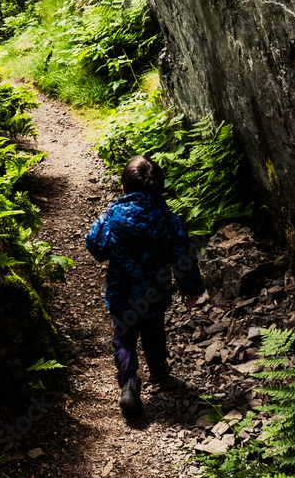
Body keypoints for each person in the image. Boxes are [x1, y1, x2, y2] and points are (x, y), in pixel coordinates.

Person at [85, 154, 205, 416]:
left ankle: (128, 383)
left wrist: (104, 218)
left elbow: (96, 246)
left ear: (123, 187)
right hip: (154, 294)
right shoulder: (168, 219)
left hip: (122, 292)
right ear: (159, 188)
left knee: (124, 338)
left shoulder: (113, 217)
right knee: (153, 332)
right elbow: (183, 257)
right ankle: (159, 370)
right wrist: (190, 289)